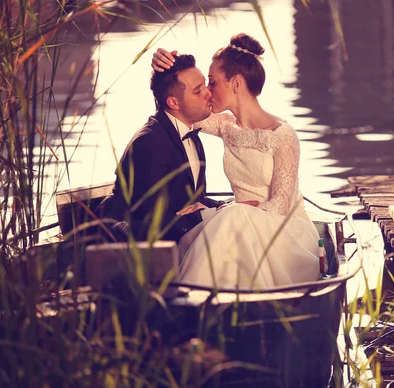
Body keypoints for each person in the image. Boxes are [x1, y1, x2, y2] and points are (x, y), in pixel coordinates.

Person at [151, 33, 320, 290]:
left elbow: (281, 204)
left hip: (283, 231)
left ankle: (189, 298)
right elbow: (177, 108)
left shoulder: (283, 135)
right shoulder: (226, 126)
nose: (207, 91)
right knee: (214, 224)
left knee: (231, 218)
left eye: (212, 81)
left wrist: (237, 210)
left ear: (236, 84)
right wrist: (163, 69)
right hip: (239, 223)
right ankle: (201, 302)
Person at [97, 54, 223, 243]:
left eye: (205, 84)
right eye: (198, 90)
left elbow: (195, 201)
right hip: (133, 249)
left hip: (176, 234)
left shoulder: (189, 134)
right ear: (173, 103)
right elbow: (149, 220)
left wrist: (223, 208)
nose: (208, 93)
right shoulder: (150, 144)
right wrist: (206, 216)